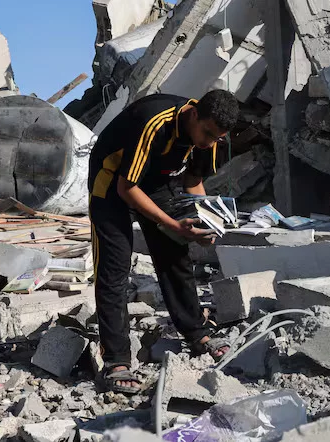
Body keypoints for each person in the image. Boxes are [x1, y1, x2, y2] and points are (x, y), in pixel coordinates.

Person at [88, 89, 239, 393]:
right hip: (113, 180)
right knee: (114, 268)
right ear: (194, 113)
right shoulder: (154, 122)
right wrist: (172, 223)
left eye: (216, 138)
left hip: (157, 180)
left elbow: (193, 181)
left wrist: (205, 222)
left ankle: (197, 333)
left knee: (174, 256)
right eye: (207, 133)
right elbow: (127, 188)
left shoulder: (208, 136)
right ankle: (116, 361)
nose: (208, 142)